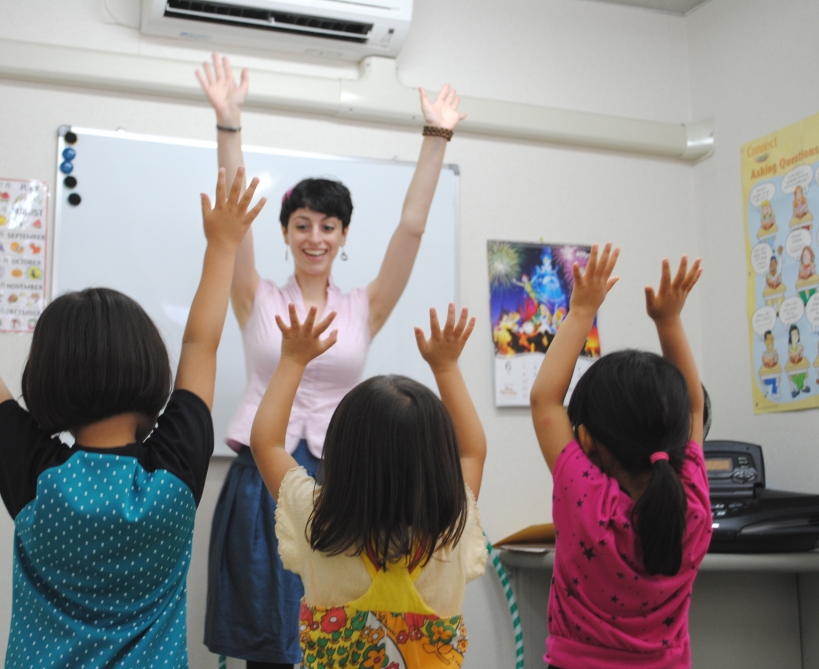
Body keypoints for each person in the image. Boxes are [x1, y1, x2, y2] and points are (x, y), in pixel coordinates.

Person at [0, 167, 265, 669]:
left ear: (47, 382)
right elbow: (201, 343)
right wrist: (223, 244)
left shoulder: (38, 477)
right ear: (150, 369)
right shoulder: (175, 472)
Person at [196, 53, 466, 668]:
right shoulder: (255, 296)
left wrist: (435, 137)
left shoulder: (364, 306)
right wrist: (229, 125)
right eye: (301, 224)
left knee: (340, 642)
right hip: (261, 483)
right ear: (287, 232)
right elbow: (232, 224)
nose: (314, 237)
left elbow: (412, 229)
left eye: (328, 226)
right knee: (267, 644)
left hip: (349, 484)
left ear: (344, 237)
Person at [251, 303, 488, 669]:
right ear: (440, 463)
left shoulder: (319, 523)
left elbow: (266, 444)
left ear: (342, 457)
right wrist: (446, 367)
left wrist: (293, 360)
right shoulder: (451, 528)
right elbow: (473, 452)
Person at [529, 246, 712, 669]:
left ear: (587, 439)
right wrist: (669, 321)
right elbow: (696, 406)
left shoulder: (587, 500)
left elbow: (543, 402)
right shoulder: (694, 509)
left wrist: (581, 311)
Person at [786, 324, 811, 397]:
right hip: (793, 365)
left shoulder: (801, 346)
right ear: (790, 337)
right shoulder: (790, 349)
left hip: (801, 364)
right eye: (793, 335)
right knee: (793, 374)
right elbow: (790, 357)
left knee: (802, 373)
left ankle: (797, 389)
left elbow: (801, 355)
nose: (795, 337)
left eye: (797, 334)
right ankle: (802, 387)